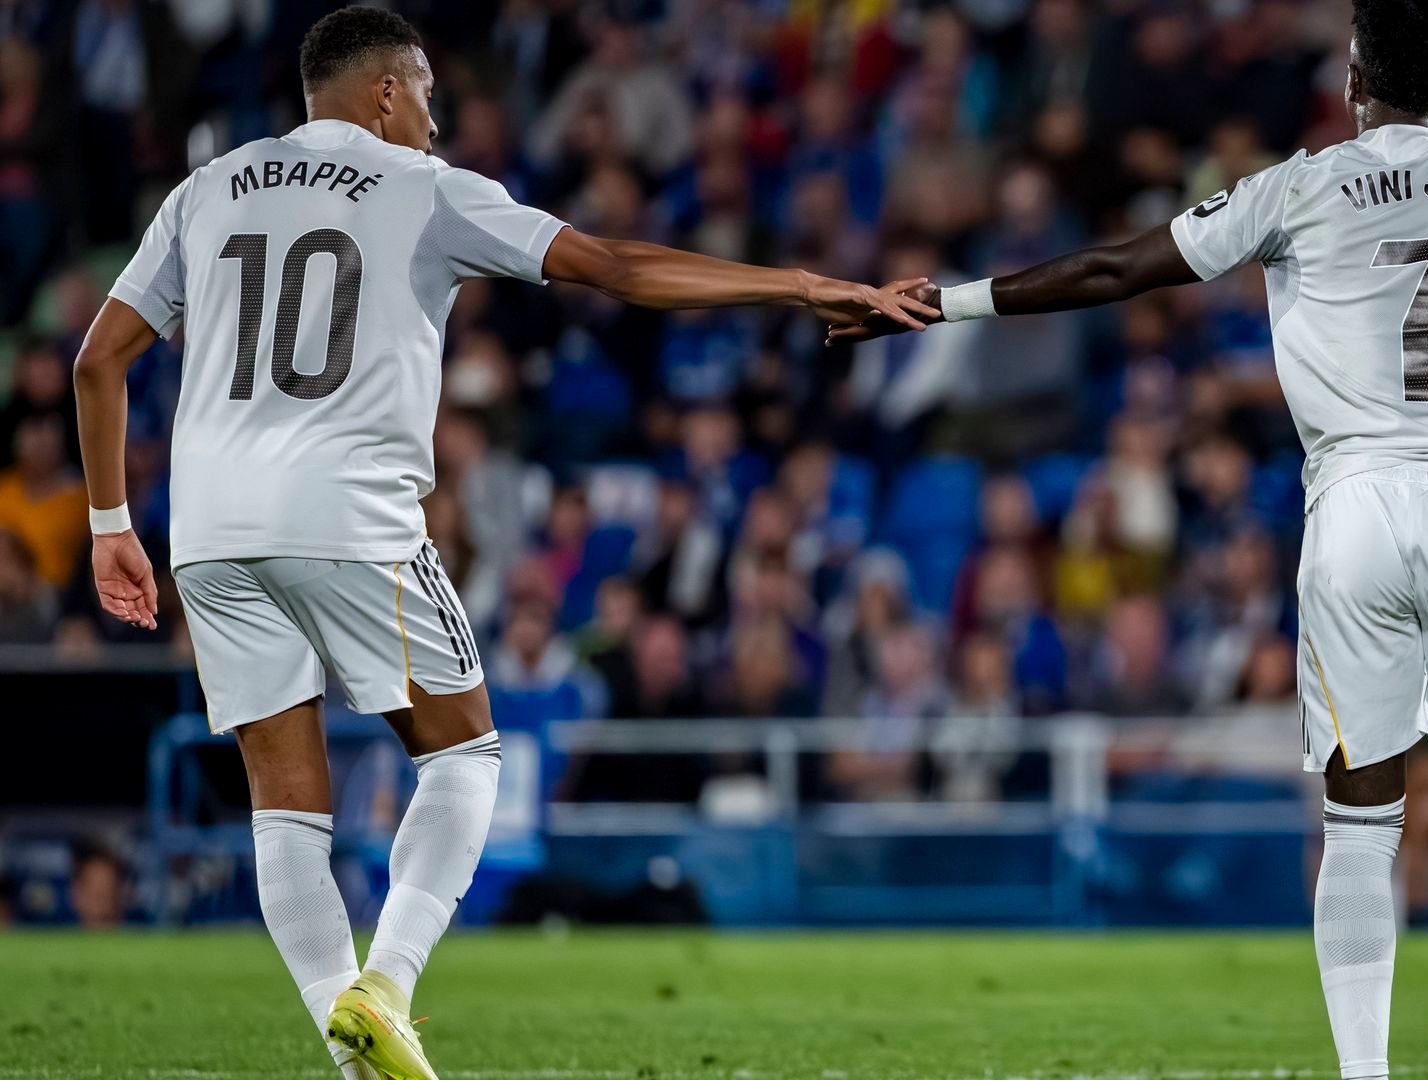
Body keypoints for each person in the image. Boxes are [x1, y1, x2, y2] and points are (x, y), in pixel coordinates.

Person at [832, 2, 1428, 1075]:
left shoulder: (1296, 185)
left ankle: (1363, 1074)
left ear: (1355, 76)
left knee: (1359, 825)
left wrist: (949, 302)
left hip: (1350, 512)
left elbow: (1119, 271)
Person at [68, 8, 935, 1080]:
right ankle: (385, 987)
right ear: (386, 91)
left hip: (206, 530)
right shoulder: (424, 189)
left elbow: (97, 362)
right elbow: (614, 264)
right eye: (427, 92)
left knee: (284, 804)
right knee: (467, 755)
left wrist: (112, 526)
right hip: (346, 513)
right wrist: (803, 285)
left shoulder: (207, 189)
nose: (436, 119)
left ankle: (354, 1053)